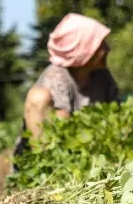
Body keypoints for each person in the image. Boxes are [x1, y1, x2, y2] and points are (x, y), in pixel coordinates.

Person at [14, 13, 120, 163]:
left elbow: (118, 115)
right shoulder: (57, 77)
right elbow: (62, 128)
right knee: (38, 97)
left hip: (87, 159)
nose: (107, 48)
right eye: (100, 44)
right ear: (84, 49)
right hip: (54, 160)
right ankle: (43, 166)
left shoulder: (103, 77)